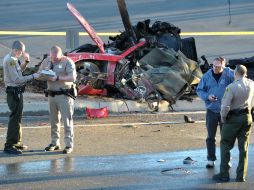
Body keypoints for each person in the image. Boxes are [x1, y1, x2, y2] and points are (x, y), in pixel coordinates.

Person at [213, 65, 254, 182]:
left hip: (233, 119)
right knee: (244, 147)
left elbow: (225, 106)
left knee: (225, 145)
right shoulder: (252, 84)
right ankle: (241, 176)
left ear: (235, 73)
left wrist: (223, 118)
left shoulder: (231, 87)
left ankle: (224, 174)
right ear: (245, 73)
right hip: (247, 117)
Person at [3, 40, 40, 154]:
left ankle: (16, 142)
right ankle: (9, 145)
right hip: (13, 92)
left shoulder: (13, 59)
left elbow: (19, 71)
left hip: (16, 91)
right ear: (15, 50)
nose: (22, 54)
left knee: (18, 118)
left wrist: (26, 62)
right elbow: (17, 79)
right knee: (15, 118)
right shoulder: (10, 61)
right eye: (21, 52)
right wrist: (33, 76)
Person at [38, 46, 77, 154]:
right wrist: (44, 75)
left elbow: (73, 77)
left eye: (56, 58)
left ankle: (69, 145)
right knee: (53, 121)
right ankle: (55, 143)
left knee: (67, 121)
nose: (53, 60)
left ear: (61, 55)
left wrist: (58, 78)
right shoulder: (47, 60)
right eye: (52, 58)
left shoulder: (67, 62)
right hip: (51, 95)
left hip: (64, 95)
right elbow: (39, 74)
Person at [196, 57, 234, 168]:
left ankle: (226, 159)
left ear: (224, 66)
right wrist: (207, 96)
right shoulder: (206, 76)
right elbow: (199, 90)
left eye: (218, 67)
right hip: (211, 111)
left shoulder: (229, 74)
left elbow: (237, 82)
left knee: (226, 137)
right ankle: (211, 159)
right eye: (214, 66)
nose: (215, 68)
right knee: (210, 137)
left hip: (225, 111)